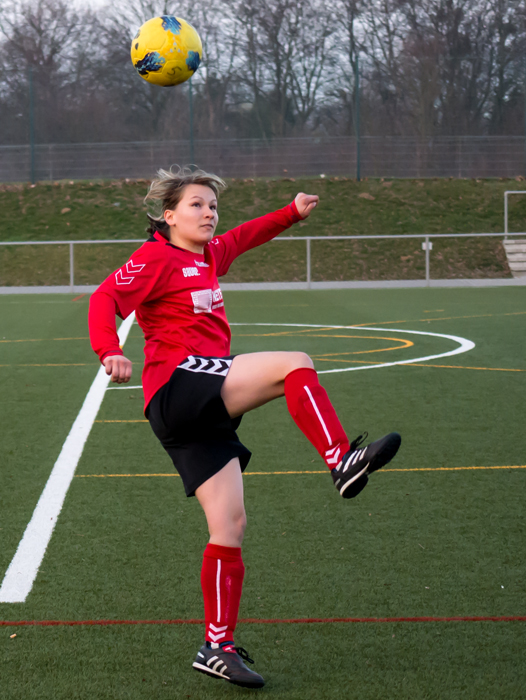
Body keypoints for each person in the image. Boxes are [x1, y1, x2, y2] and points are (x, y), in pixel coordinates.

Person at [88, 166, 401, 689]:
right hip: (178, 384)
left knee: (228, 527)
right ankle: (341, 459)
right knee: (295, 362)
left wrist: (291, 214)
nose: (209, 213)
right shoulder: (154, 257)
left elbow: (245, 235)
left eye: (212, 205)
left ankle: (217, 645)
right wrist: (109, 350)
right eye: (196, 204)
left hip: (198, 413)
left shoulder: (210, 255)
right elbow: (104, 299)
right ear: (168, 216)